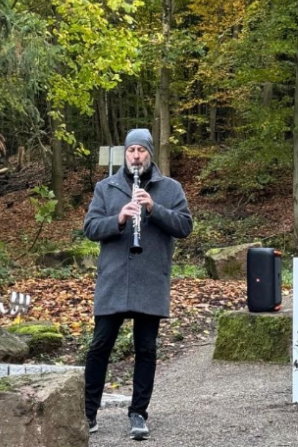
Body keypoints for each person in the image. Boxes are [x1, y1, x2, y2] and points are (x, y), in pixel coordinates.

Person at [83, 128, 193, 441]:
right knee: (100, 346)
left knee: (146, 348)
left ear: (149, 153)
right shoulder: (106, 187)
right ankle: (88, 412)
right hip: (115, 279)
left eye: (141, 150)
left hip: (150, 279)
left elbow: (185, 225)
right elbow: (90, 227)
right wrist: (118, 219)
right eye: (131, 150)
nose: (135, 155)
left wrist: (153, 208)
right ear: (125, 154)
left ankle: (138, 413)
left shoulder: (170, 188)